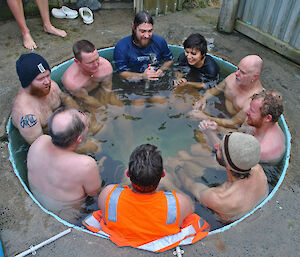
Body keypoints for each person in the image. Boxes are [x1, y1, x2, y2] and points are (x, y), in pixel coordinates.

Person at [83, 144, 210, 252]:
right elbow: (191, 205)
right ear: (163, 174)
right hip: (160, 239)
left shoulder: (108, 194)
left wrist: (124, 183)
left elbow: (114, 195)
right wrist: (170, 186)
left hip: (121, 236)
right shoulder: (178, 203)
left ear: (128, 173)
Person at [177, 132, 268, 223]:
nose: (216, 146)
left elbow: (190, 186)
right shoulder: (257, 169)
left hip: (222, 221)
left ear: (228, 166)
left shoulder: (218, 197)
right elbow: (222, 162)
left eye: (220, 149)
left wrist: (178, 168)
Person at [27, 107, 102, 215]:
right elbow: (95, 194)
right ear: (79, 139)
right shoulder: (85, 165)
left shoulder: (39, 142)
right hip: (67, 216)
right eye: (87, 124)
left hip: (36, 202)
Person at [199, 90, 286, 165]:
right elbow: (238, 134)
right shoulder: (260, 122)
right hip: (237, 156)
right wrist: (217, 128)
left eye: (252, 111)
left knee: (191, 156)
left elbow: (228, 159)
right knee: (198, 145)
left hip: (246, 166)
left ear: (268, 118)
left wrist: (210, 133)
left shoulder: (263, 148)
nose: (246, 112)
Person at [11, 53, 79, 144]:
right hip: (53, 142)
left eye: (48, 75)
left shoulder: (51, 86)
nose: (47, 81)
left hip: (65, 129)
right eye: (40, 79)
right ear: (28, 82)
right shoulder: (26, 114)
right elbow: (40, 147)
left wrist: (79, 115)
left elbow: (66, 98)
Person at [190, 55, 263, 128]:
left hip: (229, 124)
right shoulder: (232, 78)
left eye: (243, 72)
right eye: (238, 69)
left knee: (201, 134)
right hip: (219, 107)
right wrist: (203, 98)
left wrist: (205, 117)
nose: (236, 73)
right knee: (190, 111)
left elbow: (233, 122)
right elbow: (216, 89)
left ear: (254, 77)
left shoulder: (254, 100)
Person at [113, 11, 173, 81]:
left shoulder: (159, 42)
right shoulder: (122, 47)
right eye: (142, 31)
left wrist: (161, 70)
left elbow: (169, 60)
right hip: (133, 83)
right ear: (133, 27)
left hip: (156, 80)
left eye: (150, 31)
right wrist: (142, 76)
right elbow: (121, 73)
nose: (147, 36)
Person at [62, 40, 121, 109]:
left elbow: (107, 87)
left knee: (119, 109)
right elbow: (85, 99)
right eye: (90, 62)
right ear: (77, 62)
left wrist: (106, 103)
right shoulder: (71, 80)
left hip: (100, 90)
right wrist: (102, 108)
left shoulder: (105, 66)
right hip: (82, 98)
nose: (96, 65)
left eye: (97, 59)